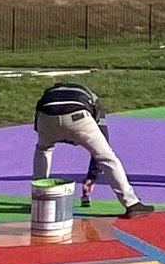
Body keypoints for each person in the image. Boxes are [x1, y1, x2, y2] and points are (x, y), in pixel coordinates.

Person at [29, 77, 154, 216]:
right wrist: (92, 175)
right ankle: (132, 204)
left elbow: (37, 124)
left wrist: (55, 137)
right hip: (78, 116)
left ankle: (38, 199)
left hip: (46, 116)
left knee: (43, 149)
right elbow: (103, 134)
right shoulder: (91, 96)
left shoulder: (48, 93)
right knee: (106, 157)